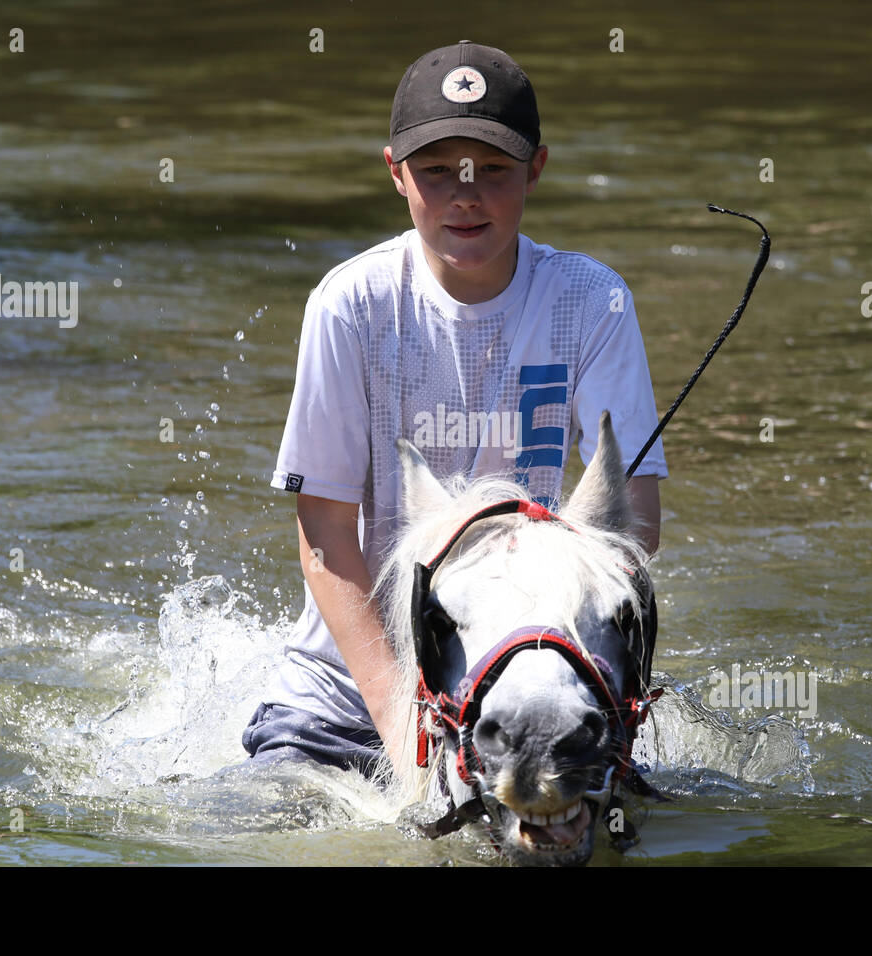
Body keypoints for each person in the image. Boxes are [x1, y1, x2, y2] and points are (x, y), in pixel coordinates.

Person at [242, 41, 667, 778]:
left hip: (532, 672)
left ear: (536, 169)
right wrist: (405, 721)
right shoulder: (350, 306)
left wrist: (561, 670)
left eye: (492, 170)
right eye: (438, 171)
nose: (464, 195)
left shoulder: (592, 302)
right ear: (395, 173)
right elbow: (325, 540)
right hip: (351, 687)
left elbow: (632, 528)